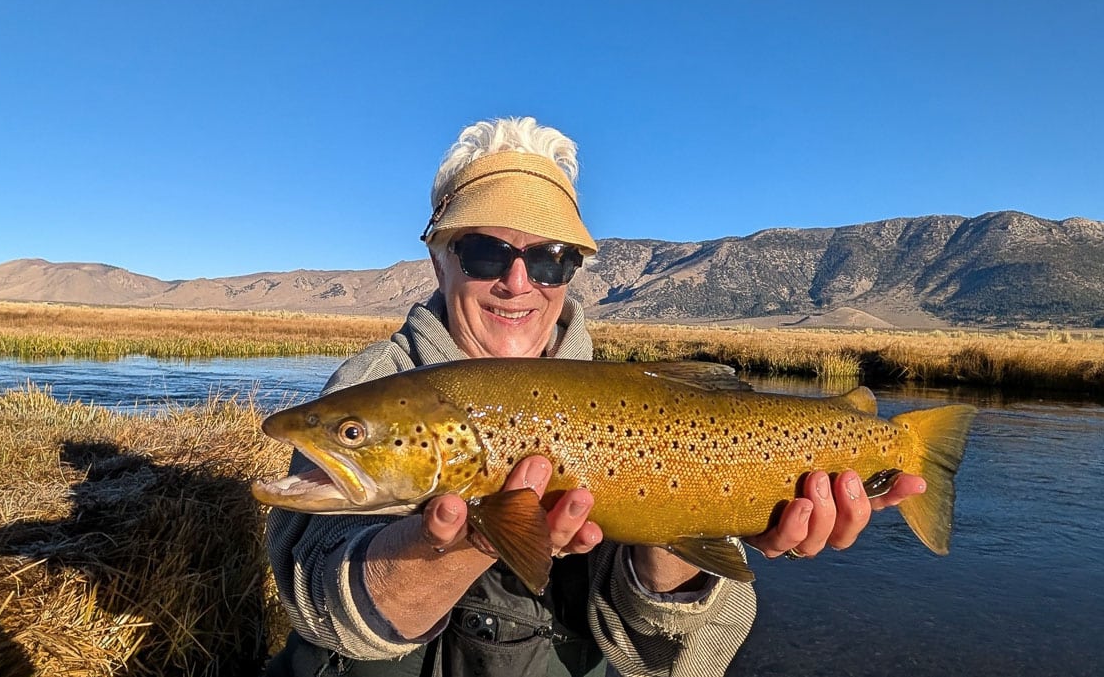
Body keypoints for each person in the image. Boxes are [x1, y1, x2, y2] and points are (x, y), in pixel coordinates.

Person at [263, 116, 925, 677]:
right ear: (439, 257)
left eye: (549, 256)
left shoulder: (639, 407)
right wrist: (475, 537)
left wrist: (673, 545)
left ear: (571, 271)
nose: (518, 281)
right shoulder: (370, 387)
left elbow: (683, 664)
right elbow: (319, 599)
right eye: (485, 252)